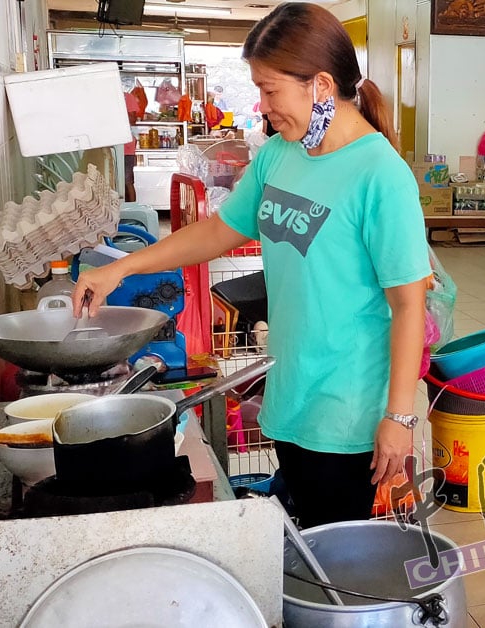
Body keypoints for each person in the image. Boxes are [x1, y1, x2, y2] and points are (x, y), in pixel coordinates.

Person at [72, 2, 430, 529]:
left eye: (271, 90)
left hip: (347, 407)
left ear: (321, 85)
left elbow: (409, 305)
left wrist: (398, 417)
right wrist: (121, 268)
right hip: (290, 394)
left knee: (334, 559)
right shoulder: (279, 154)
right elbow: (219, 231)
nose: (263, 108)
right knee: (305, 538)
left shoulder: (380, 175)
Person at [122, 82, 141, 203]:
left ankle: (132, 209)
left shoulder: (127, 97)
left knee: (127, 180)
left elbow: (133, 120)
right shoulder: (105, 98)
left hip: (126, 147)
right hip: (109, 146)